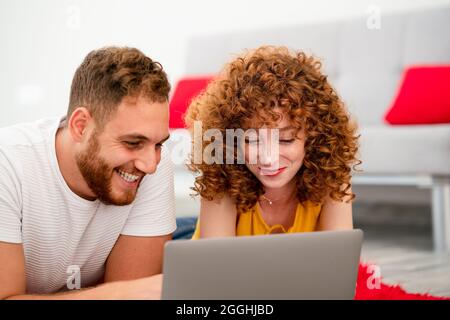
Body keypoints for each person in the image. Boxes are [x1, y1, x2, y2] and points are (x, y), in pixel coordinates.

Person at [0, 47, 176, 299]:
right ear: (80, 126)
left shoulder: (152, 165)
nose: (150, 164)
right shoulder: (8, 163)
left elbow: (138, 295)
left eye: (158, 144)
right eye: (132, 143)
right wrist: (115, 293)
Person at [184, 46, 360, 239]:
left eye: (285, 139)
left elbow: (337, 262)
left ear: (314, 138)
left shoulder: (332, 180)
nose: (268, 159)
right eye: (252, 140)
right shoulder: (222, 181)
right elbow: (215, 266)